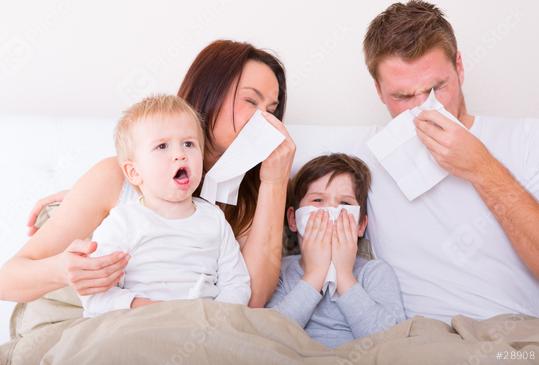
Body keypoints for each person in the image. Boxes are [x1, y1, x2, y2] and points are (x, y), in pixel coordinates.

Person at [0, 40, 295, 308]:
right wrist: (63, 269)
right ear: (210, 93)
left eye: (271, 109)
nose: (265, 121)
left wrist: (275, 181)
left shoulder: (249, 194)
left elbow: (252, 301)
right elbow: (8, 280)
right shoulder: (115, 178)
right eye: (251, 101)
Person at [358, 0, 539, 323]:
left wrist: (482, 168)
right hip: (420, 343)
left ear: (459, 67)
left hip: (511, 336)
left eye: (436, 88)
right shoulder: (366, 157)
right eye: (402, 96)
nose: (424, 108)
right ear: (378, 91)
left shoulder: (526, 138)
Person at [80, 94, 250, 317]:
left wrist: (218, 318)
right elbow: (95, 295)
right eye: (162, 146)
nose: (180, 155)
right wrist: (141, 306)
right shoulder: (123, 222)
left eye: (189, 144)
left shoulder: (214, 219)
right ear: (134, 172)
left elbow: (237, 283)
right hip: (139, 322)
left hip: (204, 324)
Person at [267, 154, 405, 348]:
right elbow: (267, 335)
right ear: (293, 219)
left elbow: (393, 341)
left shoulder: (375, 272)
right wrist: (315, 275)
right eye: (317, 200)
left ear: (360, 225)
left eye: (345, 204)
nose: (331, 210)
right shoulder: (279, 271)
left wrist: (344, 276)